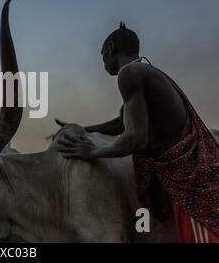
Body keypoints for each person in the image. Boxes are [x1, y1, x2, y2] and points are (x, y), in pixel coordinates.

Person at [55, 22, 219, 243]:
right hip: (190, 179)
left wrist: (93, 151)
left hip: (195, 181)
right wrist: (82, 129)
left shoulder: (129, 74)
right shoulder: (144, 72)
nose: (102, 61)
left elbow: (135, 139)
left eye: (102, 54)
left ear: (111, 47)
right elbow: (121, 124)